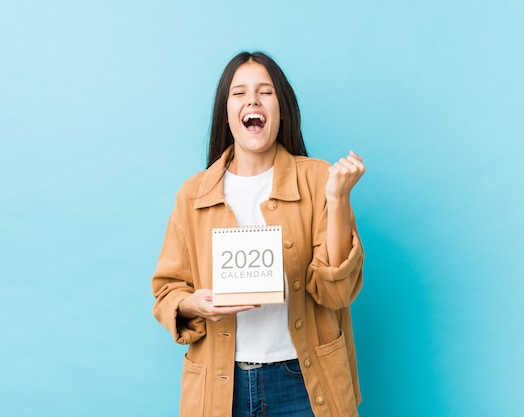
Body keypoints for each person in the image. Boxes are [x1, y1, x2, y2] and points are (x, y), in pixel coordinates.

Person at [152, 51, 365, 417]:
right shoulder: (192, 194)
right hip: (220, 388)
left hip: (303, 380)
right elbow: (167, 291)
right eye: (239, 93)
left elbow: (337, 292)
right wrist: (196, 304)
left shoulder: (318, 179)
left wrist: (339, 198)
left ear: (281, 109)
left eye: (265, 92)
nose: (252, 100)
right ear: (226, 112)